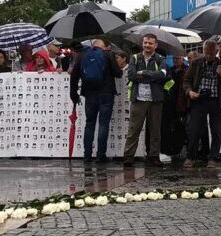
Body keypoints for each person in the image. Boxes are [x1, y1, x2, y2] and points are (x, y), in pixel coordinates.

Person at [184, 37, 221, 168]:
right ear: (203, 50)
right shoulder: (196, 63)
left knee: (216, 131)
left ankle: (213, 158)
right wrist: (189, 92)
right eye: (206, 53)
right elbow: (186, 81)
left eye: (211, 53)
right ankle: (191, 157)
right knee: (195, 129)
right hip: (199, 100)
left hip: (217, 101)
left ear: (216, 51)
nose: (208, 56)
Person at [70, 38, 123, 163]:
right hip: (106, 94)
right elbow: (117, 74)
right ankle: (100, 155)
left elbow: (74, 76)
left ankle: (87, 155)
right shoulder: (108, 55)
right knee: (103, 124)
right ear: (103, 47)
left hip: (89, 94)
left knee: (89, 124)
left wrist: (74, 95)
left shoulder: (83, 56)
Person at [123, 33, 171, 167]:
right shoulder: (134, 58)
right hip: (138, 99)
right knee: (134, 129)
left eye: (150, 43)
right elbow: (131, 75)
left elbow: (162, 75)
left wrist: (143, 73)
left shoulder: (161, 59)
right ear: (142, 44)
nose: (147, 45)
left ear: (155, 45)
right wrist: (152, 76)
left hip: (155, 100)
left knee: (155, 130)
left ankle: (154, 156)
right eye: (145, 43)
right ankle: (128, 156)